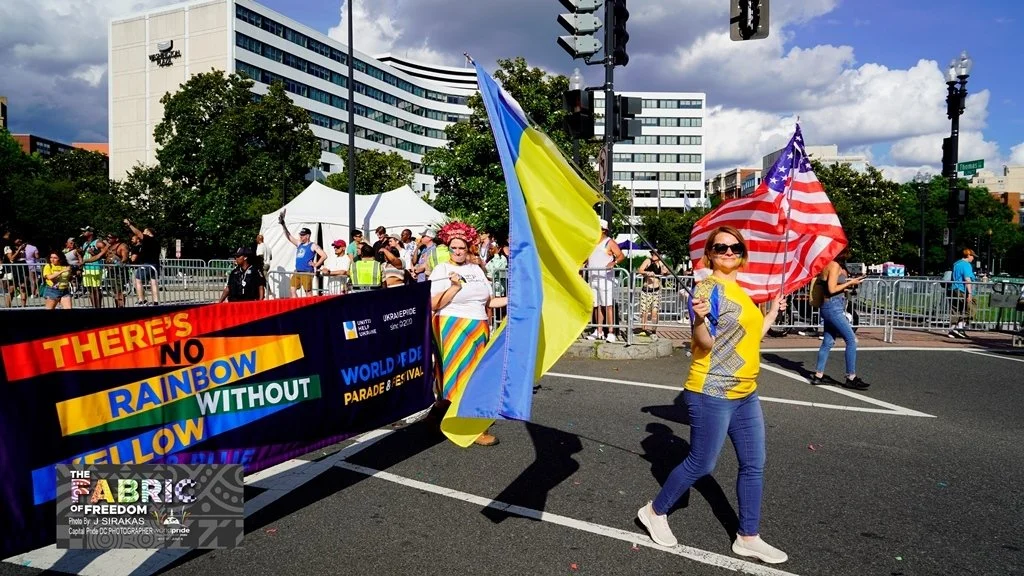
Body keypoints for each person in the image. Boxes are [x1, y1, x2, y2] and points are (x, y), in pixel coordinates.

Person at [637, 225, 789, 565]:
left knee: (754, 464)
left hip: (746, 391)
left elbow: (749, 338)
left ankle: (748, 536)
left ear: (742, 255)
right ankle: (654, 511)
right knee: (703, 462)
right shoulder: (707, 290)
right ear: (709, 253)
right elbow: (704, 344)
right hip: (712, 390)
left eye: (735, 248)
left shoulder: (741, 292)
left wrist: (772, 314)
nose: (729, 253)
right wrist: (699, 320)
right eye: (721, 248)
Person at [427, 221, 507, 447]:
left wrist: (513, 300)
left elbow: (489, 301)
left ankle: (436, 417)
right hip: (452, 325)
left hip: (479, 326)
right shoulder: (441, 269)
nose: (458, 251)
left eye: (462, 247)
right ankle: (471, 428)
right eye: (454, 247)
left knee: (475, 376)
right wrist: (453, 288)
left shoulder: (476, 270)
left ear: (468, 247)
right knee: (459, 376)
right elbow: (433, 303)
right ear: (448, 248)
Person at [809, 248, 868, 389]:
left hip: (829, 306)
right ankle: (851, 377)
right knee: (851, 339)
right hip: (833, 307)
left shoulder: (828, 264)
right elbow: (831, 289)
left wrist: (846, 287)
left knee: (828, 342)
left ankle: (818, 375)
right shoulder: (834, 265)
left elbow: (831, 286)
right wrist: (850, 282)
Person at [585, 219, 625, 342]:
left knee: (608, 306)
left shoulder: (609, 242)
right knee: (596, 306)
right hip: (593, 278)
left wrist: (614, 262)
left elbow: (621, 255)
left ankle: (611, 332)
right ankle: (599, 330)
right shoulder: (592, 242)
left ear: (603, 230)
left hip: (605, 279)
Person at [278, 209, 326, 297]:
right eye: (300, 234)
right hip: (297, 272)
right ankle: (296, 307)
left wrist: (316, 264)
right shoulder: (299, 244)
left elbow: (324, 256)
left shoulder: (313, 245)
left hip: (307, 272)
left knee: (308, 292)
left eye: (303, 235)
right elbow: (289, 236)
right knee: (292, 289)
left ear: (308, 236)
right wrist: (283, 224)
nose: (300, 236)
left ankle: (310, 308)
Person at [637, 250, 670, 337]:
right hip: (647, 290)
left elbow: (668, 272)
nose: (653, 255)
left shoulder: (661, 263)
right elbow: (639, 270)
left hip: (656, 290)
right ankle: (643, 329)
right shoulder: (648, 261)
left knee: (655, 311)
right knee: (645, 311)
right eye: (653, 254)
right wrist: (647, 272)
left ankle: (654, 330)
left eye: (655, 254)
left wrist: (666, 272)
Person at [948, 248, 976, 339]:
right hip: (962, 290)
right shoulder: (966, 265)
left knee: (955, 310)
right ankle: (960, 328)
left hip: (954, 288)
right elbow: (967, 279)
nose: (973, 258)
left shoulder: (956, 264)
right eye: (972, 256)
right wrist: (970, 293)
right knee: (970, 309)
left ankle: (952, 330)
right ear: (968, 255)